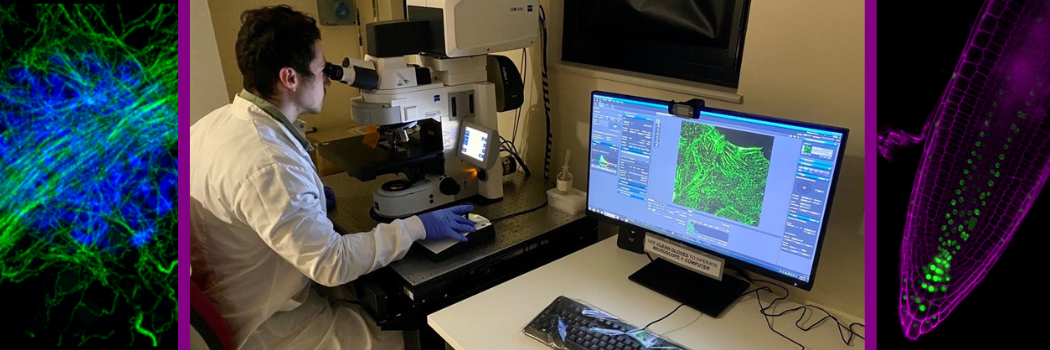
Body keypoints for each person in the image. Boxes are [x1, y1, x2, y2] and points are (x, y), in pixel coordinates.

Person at [189, 5, 477, 350]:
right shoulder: (270, 165)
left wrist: (303, 200)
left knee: (374, 294)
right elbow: (332, 264)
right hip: (268, 326)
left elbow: (253, 200)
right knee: (407, 335)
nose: (328, 80)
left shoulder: (212, 125)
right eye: (321, 69)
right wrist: (418, 227)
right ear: (289, 78)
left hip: (248, 293)